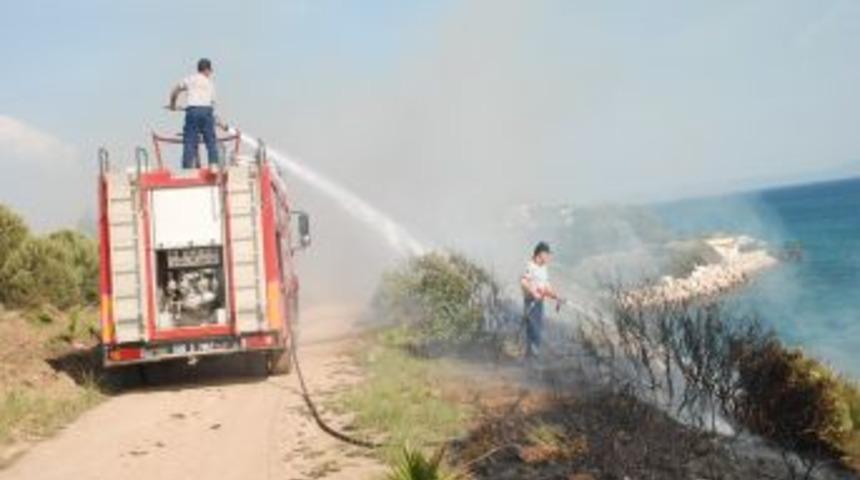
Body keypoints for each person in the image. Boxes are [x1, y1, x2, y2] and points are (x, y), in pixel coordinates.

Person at [168, 58, 219, 168]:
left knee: (190, 141)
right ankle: (214, 165)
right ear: (207, 70)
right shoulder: (210, 83)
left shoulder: (190, 79)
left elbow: (175, 90)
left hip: (192, 111)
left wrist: (172, 104)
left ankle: (187, 168)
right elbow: (212, 104)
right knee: (210, 141)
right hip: (207, 111)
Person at [520, 241, 560, 359]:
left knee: (537, 330)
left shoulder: (543, 268)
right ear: (540, 254)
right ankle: (531, 358)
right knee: (534, 331)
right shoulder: (530, 266)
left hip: (539, 303)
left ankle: (531, 358)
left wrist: (555, 296)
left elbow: (546, 286)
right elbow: (523, 282)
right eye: (547, 254)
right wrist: (533, 292)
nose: (549, 257)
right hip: (531, 303)